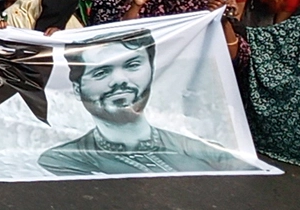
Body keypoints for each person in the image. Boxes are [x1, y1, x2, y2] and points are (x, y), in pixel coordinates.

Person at [38, 29, 256, 175]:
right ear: (77, 89)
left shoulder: (198, 146)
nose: (120, 81)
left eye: (132, 65)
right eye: (101, 72)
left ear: (153, 71)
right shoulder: (62, 158)